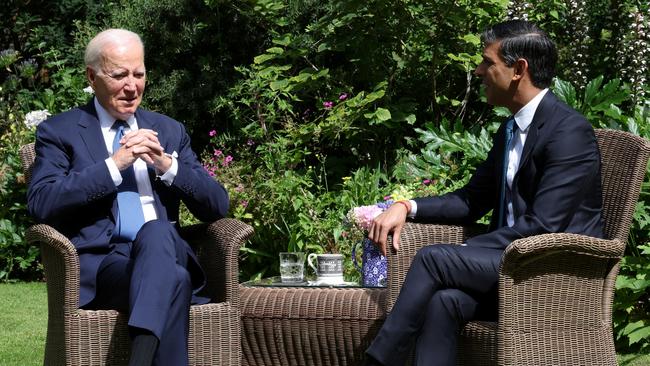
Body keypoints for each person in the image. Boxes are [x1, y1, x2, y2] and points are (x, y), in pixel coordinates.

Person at [364, 20, 604, 366]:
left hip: (552, 272)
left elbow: (544, 224)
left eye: (488, 62)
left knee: (434, 258)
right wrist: (407, 205)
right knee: (443, 301)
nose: (478, 71)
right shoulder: (510, 128)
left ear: (518, 69)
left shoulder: (569, 132)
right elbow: (471, 200)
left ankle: (378, 361)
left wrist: (464, 249)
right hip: (509, 265)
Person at [27, 29, 229, 366]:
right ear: (92, 77)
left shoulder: (168, 131)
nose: (132, 86)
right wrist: (114, 165)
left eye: (139, 74)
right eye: (120, 75)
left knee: (158, 231)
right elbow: (43, 203)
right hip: (106, 267)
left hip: (166, 249)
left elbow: (217, 205)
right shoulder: (60, 132)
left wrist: (167, 165)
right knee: (174, 281)